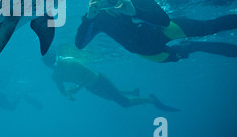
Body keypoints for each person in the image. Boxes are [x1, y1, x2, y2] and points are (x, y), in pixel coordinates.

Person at [75, 0, 237, 63]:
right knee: (177, 56)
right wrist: (88, 19)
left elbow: (164, 21)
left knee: (208, 27)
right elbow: (80, 45)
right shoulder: (97, 16)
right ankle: (193, 46)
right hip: (149, 52)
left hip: (164, 30)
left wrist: (135, 11)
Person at [42, 48, 179, 111]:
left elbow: (90, 74)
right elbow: (61, 89)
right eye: (52, 66)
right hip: (92, 87)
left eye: (55, 62)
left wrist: (78, 87)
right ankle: (133, 92)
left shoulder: (71, 62)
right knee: (112, 96)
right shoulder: (55, 75)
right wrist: (68, 95)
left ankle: (152, 100)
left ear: (58, 57)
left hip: (99, 80)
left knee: (123, 102)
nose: (56, 67)